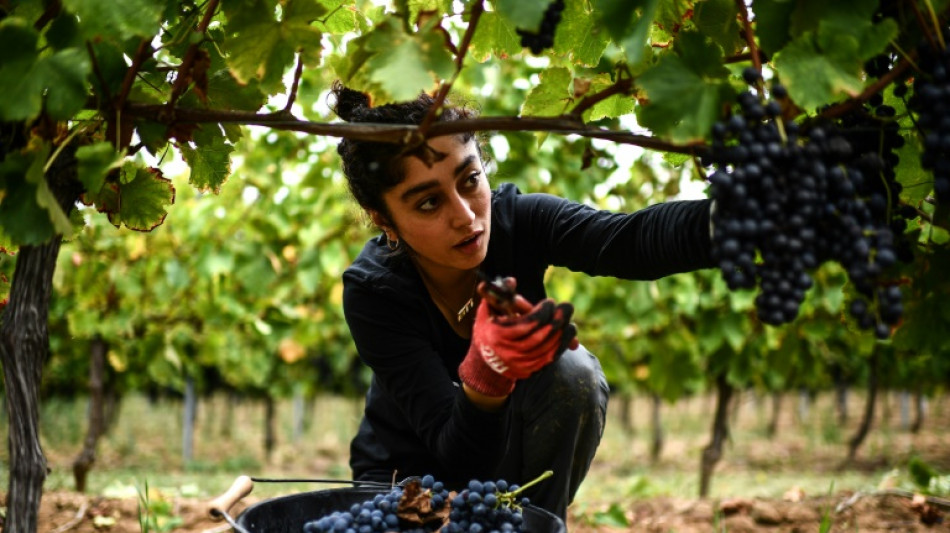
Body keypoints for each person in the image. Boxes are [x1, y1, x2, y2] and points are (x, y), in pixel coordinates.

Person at [332, 81, 714, 521]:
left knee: (574, 373)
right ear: (384, 219)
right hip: (404, 478)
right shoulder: (373, 291)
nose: (466, 216)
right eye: (430, 203)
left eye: (470, 180)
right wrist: (485, 377)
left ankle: (539, 525)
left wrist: (728, 220)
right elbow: (454, 452)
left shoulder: (519, 221)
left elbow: (628, 241)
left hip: (505, 465)